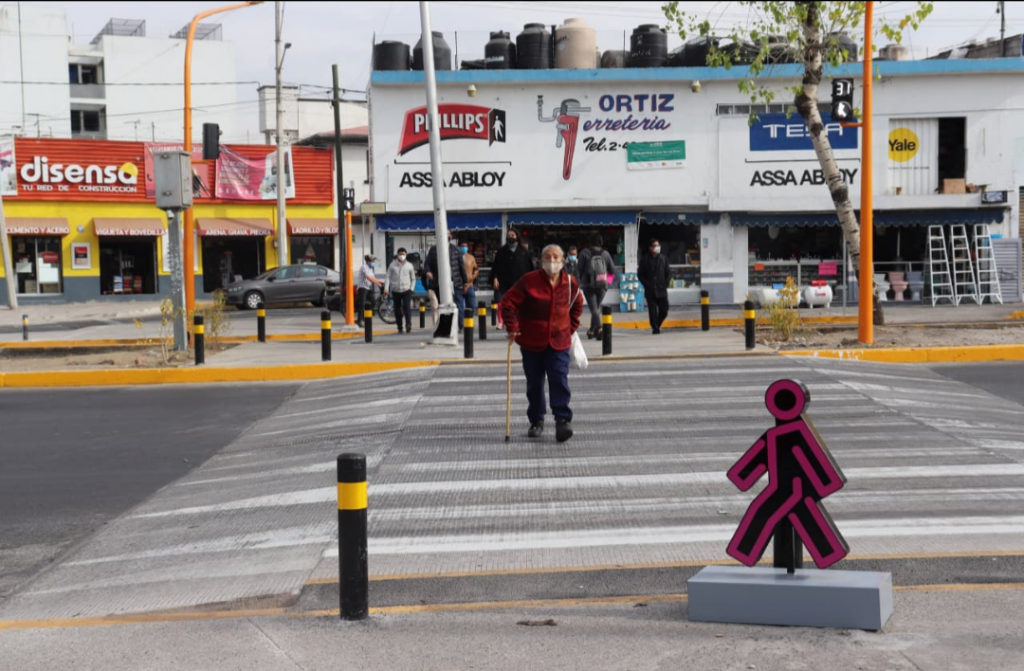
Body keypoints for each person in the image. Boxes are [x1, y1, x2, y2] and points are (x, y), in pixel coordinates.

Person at [500, 244, 584, 443]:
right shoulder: (529, 280)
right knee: (534, 383)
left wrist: (569, 328)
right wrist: (512, 326)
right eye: (548, 257)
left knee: (559, 379)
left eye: (556, 257)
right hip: (531, 341)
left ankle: (562, 419)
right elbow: (508, 302)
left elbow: (577, 306)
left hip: (559, 341)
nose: (552, 261)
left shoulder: (570, 283)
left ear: (562, 261)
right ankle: (536, 420)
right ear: (541, 260)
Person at [425, 231, 469, 331]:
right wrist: (427, 272)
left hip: (455, 282)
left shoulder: (456, 249)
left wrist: (465, 282)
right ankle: (444, 327)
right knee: (442, 306)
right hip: (439, 283)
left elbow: (462, 267)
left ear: (451, 236)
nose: (445, 235)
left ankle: (459, 326)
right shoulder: (433, 250)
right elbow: (427, 264)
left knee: (459, 305)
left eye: (447, 233)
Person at [491, 227, 533, 328]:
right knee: (501, 302)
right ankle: (501, 322)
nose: (510, 237)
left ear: (517, 237)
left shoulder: (523, 251)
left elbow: (530, 267)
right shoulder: (501, 252)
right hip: (503, 281)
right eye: (509, 236)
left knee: (519, 303)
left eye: (512, 236)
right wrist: (495, 278)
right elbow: (495, 266)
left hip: (519, 281)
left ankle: (517, 321)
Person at [577, 234, 617, 340]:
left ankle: (599, 329)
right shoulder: (606, 254)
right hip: (602, 285)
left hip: (588, 285)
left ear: (590, 242)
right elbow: (613, 271)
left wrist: (580, 282)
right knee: (596, 308)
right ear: (601, 242)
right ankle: (591, 330)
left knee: (594, 308)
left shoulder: (584, 253)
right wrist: (607, 283)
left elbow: (579, 269)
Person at [638, 238, 671, 334]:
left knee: (664, 309)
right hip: (650, 290)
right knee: (652, 311)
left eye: (658, 245)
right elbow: (640, 275)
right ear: (650, 248)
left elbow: (668, 272)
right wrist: (647, 284)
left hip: (661, 289)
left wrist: (666, 283)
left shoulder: (663, 259)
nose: (657, 247)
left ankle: (657, 324)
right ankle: (655, 327)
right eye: (655, 246)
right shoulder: (645, 260)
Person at [385, 247, 417, 334]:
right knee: (397, 310)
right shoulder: (392, 265)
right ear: (397, 255)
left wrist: (411, 289)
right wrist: (386, 288)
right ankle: (399, 326)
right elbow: (388, 277)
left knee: (407, 308)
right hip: (395, 290)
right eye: (400, 254)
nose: (402, 256)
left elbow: (413, 278)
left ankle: (408, 325)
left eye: (403, 254)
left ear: (406, 254)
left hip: (406, 290)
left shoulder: (409, 265)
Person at [355, 254, 383, 328]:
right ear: (368, 261)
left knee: (373, 302)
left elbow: (374, 278)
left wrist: (381, 282)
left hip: (368, 287)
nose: (373, 262)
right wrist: (378, 284)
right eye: (372, 261)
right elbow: (369, 278)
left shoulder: (370, 268)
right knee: (362, 304)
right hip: (362, 287)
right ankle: (359, 320)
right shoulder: (364, 267)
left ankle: (364, 316)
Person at [461, 242, 479, 322]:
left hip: (470, 285)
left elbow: (476, 269)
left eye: (465, 246)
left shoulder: (471, 257)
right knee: (461, 306)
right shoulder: (456, 257)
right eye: (462, 246)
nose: (464, 248)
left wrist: (473, 276)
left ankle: (469, 322)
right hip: (459, 286)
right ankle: (461, 323)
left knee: (472, 305)